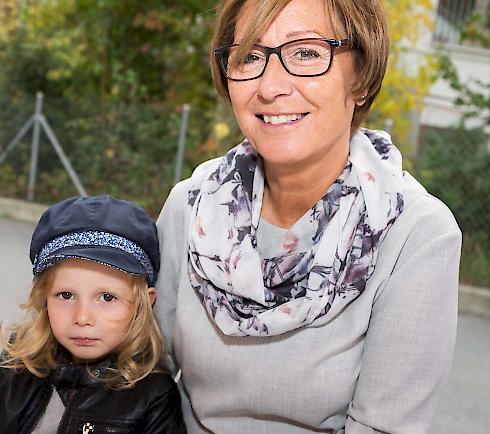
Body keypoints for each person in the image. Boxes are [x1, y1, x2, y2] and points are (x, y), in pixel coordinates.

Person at [154, 0, 462, 432]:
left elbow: (383, 426)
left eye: (306, 52)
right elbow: (145, 378)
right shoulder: (190, 209)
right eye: (249, 56)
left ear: (361, 77)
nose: (270, 85)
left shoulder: (417, 235)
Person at [0, 195, 186, 434]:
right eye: (66, 295)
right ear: (44, 297)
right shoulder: (17, 363)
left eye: (107, 298)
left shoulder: (153, 395)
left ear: (144, 303)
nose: (82, 317)